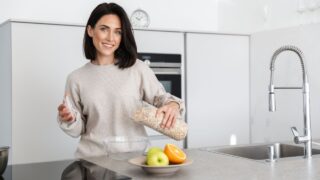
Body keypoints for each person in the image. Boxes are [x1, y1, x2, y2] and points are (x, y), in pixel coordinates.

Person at [57, 2, 184, 158]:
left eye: (117, 32)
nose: (111, 38)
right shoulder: (76, 78)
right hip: (92, 163)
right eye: (104, 29)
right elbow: (78, 129)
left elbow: (162, 99)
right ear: (90, 30)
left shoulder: (137, 69)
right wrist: (69, 118)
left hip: (134, 162)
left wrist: (173, 105)